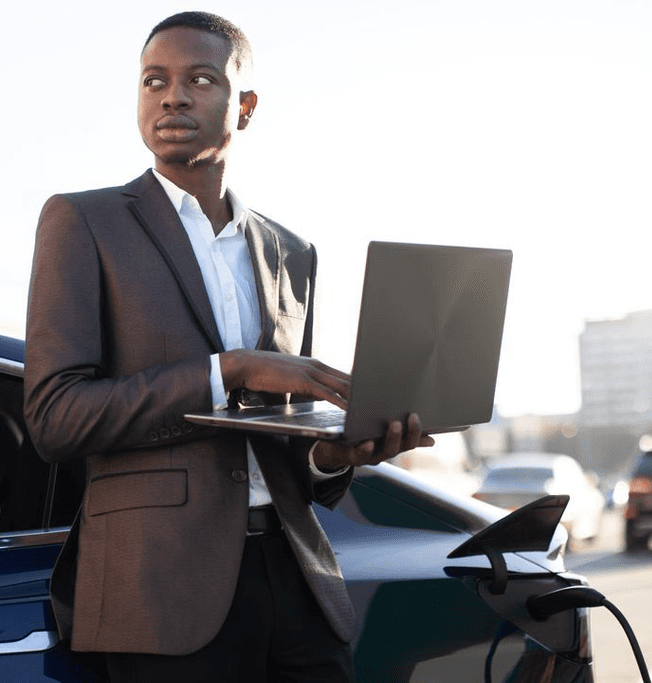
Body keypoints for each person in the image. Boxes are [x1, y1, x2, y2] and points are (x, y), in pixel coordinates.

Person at [24, 11, 434, 682]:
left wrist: (340, 454)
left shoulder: (292, 252)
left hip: (298, 581)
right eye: (154, 80)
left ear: (244, 107)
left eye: (199, 79)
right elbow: (55, 415)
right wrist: (232, 369)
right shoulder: (83, 222)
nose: (172, 96)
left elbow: (291, 451)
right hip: (161, 596)